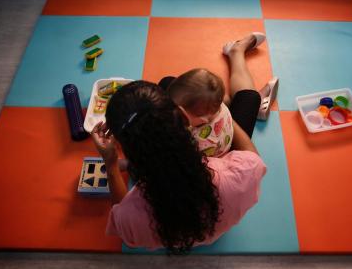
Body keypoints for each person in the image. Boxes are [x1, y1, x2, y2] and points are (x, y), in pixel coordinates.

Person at [91, 32, 278, 254]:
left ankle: (231, 74)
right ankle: (237, 55)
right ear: (181, 117)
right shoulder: (239, 174)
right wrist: (222, 113)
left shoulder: (131, 216)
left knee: (170, 83)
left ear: (128, 147)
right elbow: (251, 155)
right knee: (248, 99)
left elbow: (120, 218)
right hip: (221, 173)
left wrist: (111, 165)